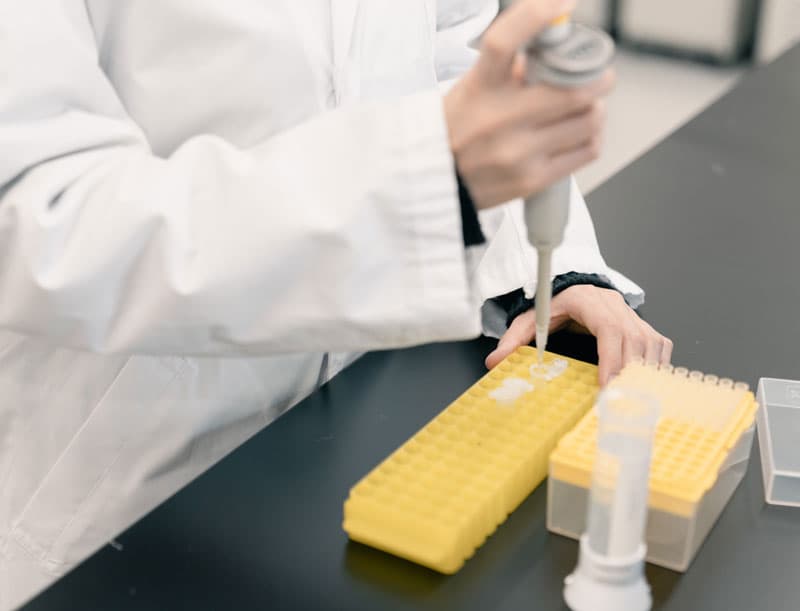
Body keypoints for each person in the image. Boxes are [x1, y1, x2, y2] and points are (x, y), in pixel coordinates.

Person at [0, 0, 672, 607]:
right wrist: (422, 179)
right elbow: (41, 214)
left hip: (353, 429)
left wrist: (549, 263)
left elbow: (452, 61)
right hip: (132, 485)